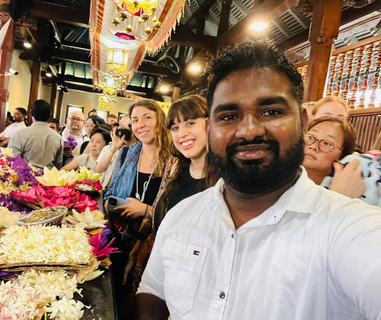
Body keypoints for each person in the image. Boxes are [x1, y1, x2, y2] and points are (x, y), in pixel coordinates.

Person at [136, 40, 381, 320]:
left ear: (302, 121)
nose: (249, 131)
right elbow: (153, 289)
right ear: (210, 128)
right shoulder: (182, 215)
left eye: (271, 112)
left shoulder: (347, 229)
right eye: (229, 116)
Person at [124, 95, 220, 293]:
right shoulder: (174, 169)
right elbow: (157, 218)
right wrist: (134, 253)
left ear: (209, 125)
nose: (182, 134)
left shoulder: (225, 182)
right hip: (156, 277)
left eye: (190, 123)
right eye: (175, 128)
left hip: (194, 288)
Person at [104, 99, 170, 319]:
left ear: (160, 120)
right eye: (135, 120)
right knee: (116, 301)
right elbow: (108, 197)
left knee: (142, 306)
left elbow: (177, 211)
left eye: (147, 117)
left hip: (153, 247)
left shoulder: (175, 159)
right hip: (119, 240)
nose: (140, 124)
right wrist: (118, 205)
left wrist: (145, 209)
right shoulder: (126, 154)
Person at [302, 117, 364, 199]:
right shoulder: (281, 175)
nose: (313, 146)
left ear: (342, 156)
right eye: (310, 137)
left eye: (327, 143)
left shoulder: (348, 190)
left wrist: (340, 197)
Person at [9, 100, 64, 169]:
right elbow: (58, 163)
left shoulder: (20, 134)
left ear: (31, 113)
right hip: (47, 178)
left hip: (25, 177)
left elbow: (13, 159)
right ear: (50, 115)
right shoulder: (58, 137)